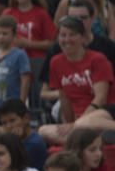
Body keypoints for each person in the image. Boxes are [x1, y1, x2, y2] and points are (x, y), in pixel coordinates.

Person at [38, 16, 115, 145]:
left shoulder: (97, 59)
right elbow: (64, 98)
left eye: (72, 35)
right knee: (43, 131)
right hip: (79, 122)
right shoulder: (56, 62)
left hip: (104, 113)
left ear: (83, 38)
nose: (67, 40)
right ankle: (91, 141)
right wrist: (67, 125)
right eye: (63, 35)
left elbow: (100, 98)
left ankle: (86, 138)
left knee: (83, 125)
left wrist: (77, 123)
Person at [1, 0, 56, 79]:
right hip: (12, 59)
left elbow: (51, 43)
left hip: (36, 61)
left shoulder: (41, 13)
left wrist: (28, 44)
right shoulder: (8, 13)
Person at [0, 16, 32, 108]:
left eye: (5, 34)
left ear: (13, 35)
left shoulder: (20, 55)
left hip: (12, 103)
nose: (1, 37)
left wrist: (21, 103)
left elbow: (25, 81)